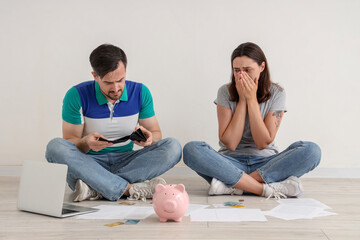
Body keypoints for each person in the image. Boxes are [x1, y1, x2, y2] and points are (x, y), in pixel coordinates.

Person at [183, 42, 321, 199]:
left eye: (247, 70)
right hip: (229, 163)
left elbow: (263, 143)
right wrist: (242, 100)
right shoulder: (224, 92)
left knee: (312, 151)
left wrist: (252, 100)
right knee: (191, 149)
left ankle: (234, 185)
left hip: (267, 163)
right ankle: (263, 188)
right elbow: (230, 143)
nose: (241, 75)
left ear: (262, 67)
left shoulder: (277, 93)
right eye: (237, 70)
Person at [46, 44, 182, 202]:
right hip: (90, 163)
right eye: (108, 83)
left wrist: (149, 139)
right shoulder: (76, 95)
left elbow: (156, 133)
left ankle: (95, 188)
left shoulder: (140, 92)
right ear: (95, 76)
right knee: (55, 147)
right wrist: (86, 143)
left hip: (128, 162)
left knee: (173, 147)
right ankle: (128, 189)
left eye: (120, 80)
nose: (116, 88)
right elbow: (70, 141)